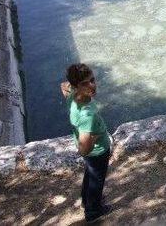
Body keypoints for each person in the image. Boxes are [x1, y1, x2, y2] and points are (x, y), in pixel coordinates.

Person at [60, 64, 112, 223]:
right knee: (97, 180)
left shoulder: (72, 97)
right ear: (76, 86)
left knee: (90, 175)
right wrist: (97, 135)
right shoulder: (87, 114)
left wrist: (73, 85)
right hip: (97, 152)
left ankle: (85, 199)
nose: (92, 85)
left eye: (92, 80)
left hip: (91, 156)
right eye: (85, 83)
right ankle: (93, 212)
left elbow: (63, 86)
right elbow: (83, 149)